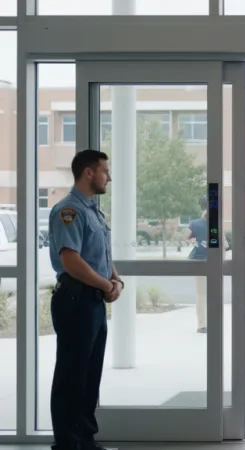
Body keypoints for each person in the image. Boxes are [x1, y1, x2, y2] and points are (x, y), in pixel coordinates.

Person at [48, 149, 123, 450]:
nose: (110, 177)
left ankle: (84, 440)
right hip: (75, 301)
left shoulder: (93, 211)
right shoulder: (70, 211)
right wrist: (106, 283)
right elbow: (71, 260)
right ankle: (67, 443)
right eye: (105, 171)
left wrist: (115, 280)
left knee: (89, 375)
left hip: (91, 302)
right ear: (89, 173)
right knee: (72, 375)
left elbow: (101, 254)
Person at [187, 195, 208, 333]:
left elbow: (186, 237)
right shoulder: (216, 224)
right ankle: (208, 322)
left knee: (201, 294)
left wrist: (195, 242)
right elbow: (224, 244)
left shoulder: (194, 224)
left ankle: (202, 324)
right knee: (211, 294)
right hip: (212, 262)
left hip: (199, 261)